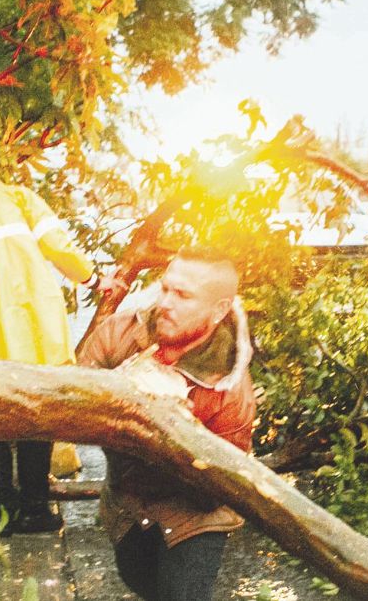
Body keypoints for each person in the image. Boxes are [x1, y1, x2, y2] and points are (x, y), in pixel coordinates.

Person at [0, 171, 118, 534]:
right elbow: (58, 245)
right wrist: (95, 280)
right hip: (32, 320)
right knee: (39, 410)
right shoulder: (16, 198)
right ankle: (35, 508)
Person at [77, 247, 255, 601]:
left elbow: (214, 491)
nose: (166, 303)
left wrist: (169, 431)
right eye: (166, 288)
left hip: (194, 513)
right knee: (138, 580)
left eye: (183, 295)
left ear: (219, 309)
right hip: (127, 498)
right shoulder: (120, 334)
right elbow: (75, 401)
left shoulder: (231, 392)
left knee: (183, 594)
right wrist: (129, 396)